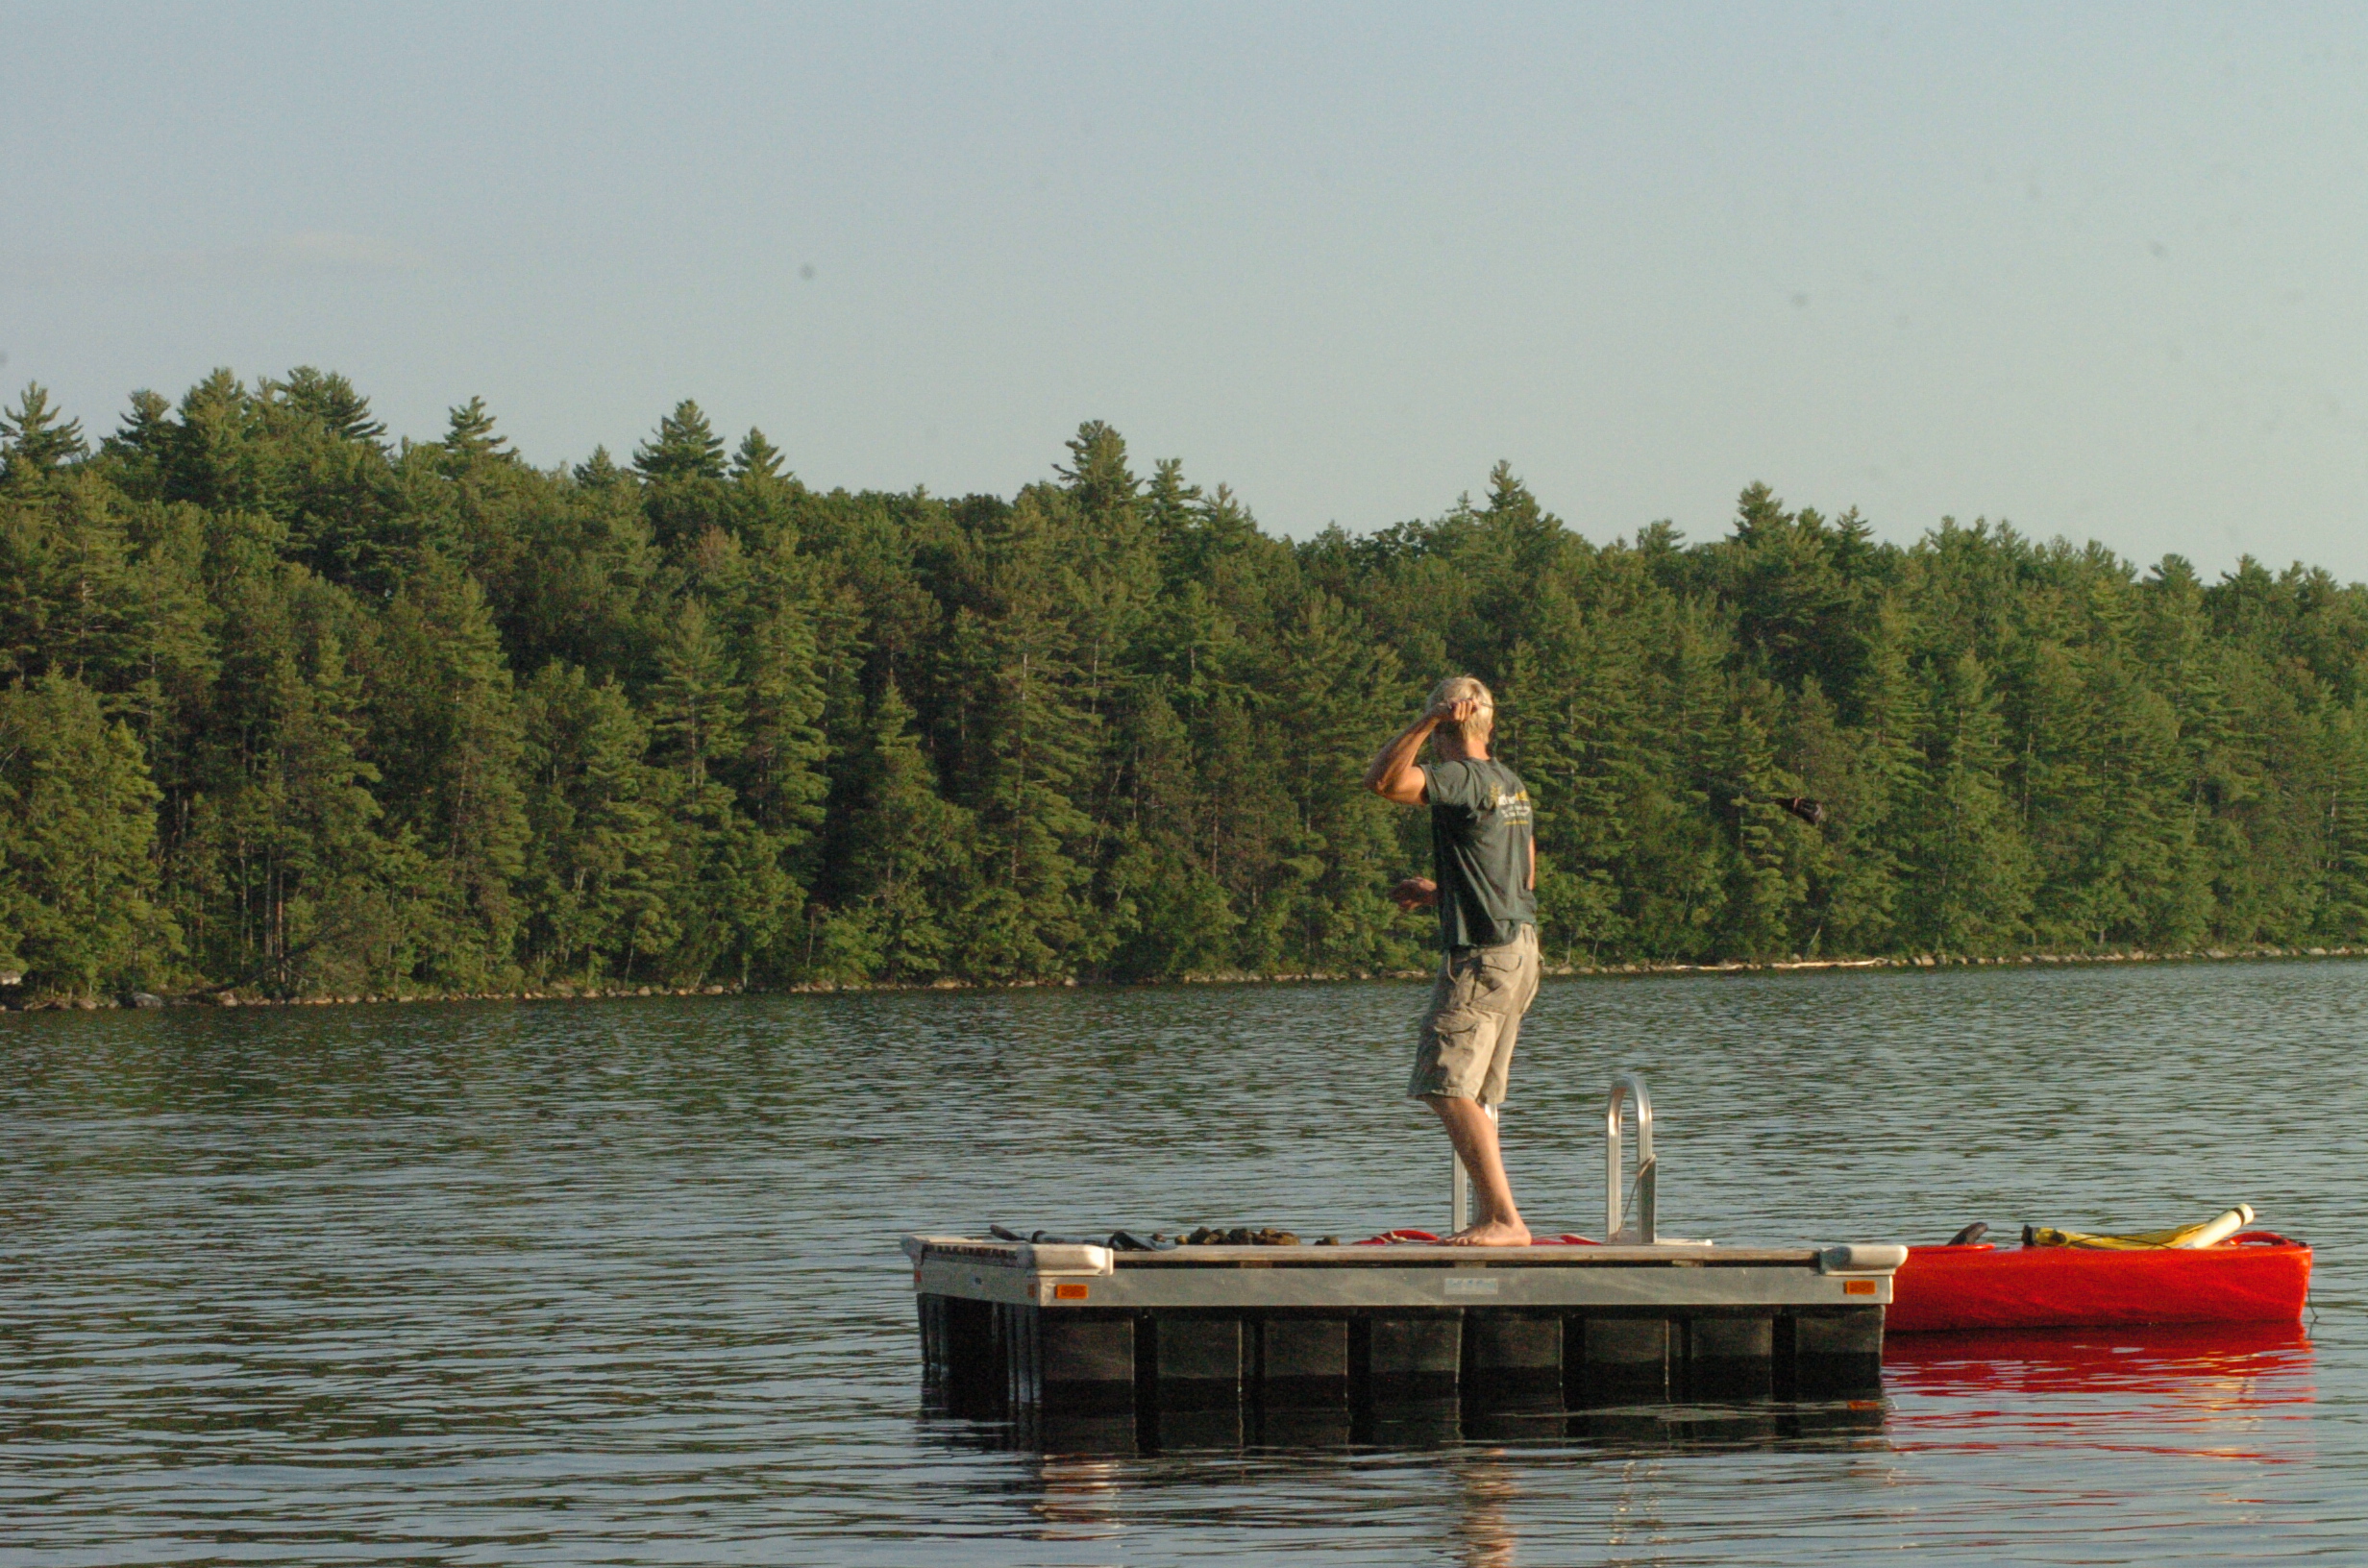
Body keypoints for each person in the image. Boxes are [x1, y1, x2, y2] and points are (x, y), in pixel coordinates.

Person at [1362, 675, 1540, 1245]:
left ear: (1451, 725)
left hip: (1483, 958)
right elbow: (1524, 875)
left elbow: (1385, 782)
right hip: (1519, 949)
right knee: (1472, 1093)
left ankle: (1505, 1220)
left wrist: (1426, 721)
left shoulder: (1461, 776)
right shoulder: (1510, 784)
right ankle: (1499, 1218)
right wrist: (1444, 893)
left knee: (1444, 1085)